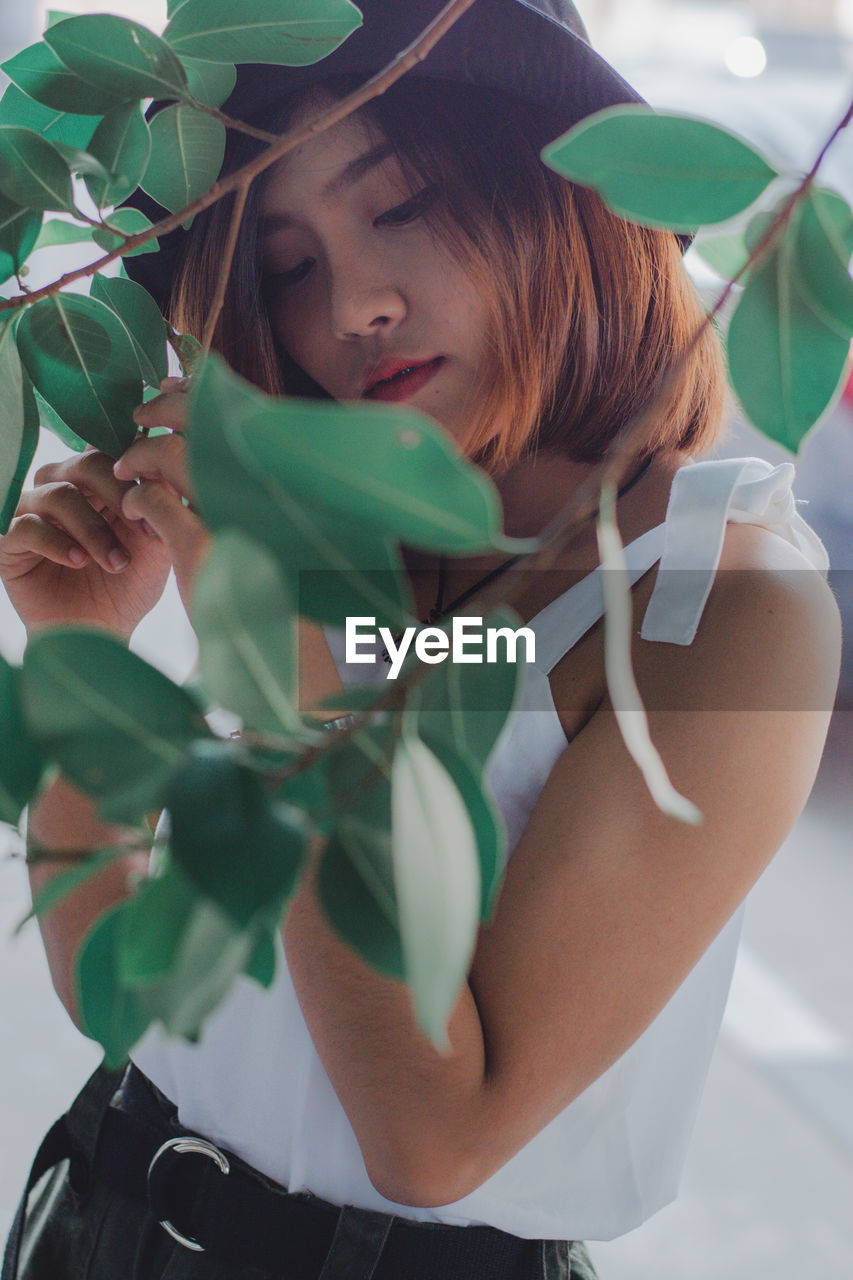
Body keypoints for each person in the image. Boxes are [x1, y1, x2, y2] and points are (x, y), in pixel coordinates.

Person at [0, 2, 841, 1278]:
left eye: (401, 204)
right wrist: (88, 653)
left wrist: (287, 680)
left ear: (561, 190)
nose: (354, 302)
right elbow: (123, 997)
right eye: (285, 266)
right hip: (96, 1208)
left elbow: (437, 1140)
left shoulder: (724, 604)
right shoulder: (346, 535)